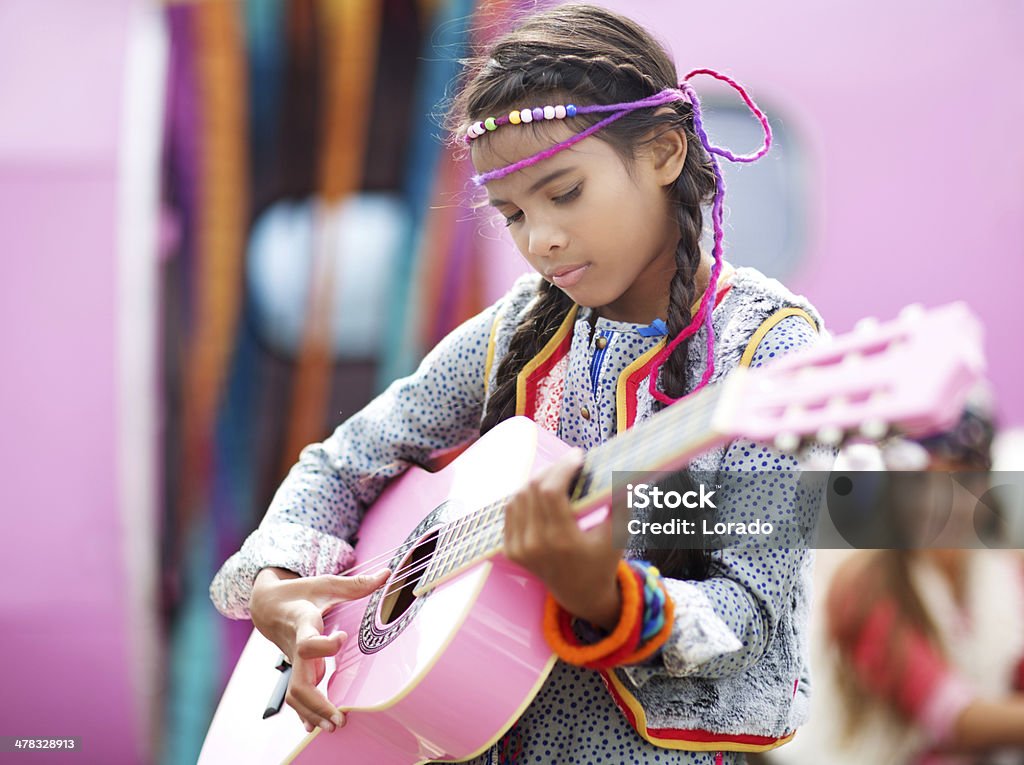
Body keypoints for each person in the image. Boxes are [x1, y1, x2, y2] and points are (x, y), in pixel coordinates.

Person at [210, 5, 834, 763]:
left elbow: (749, 617)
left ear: (666, 150)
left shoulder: (764, 349)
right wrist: (281, 582)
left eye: (564, 193)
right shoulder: (520, 329)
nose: (541, 240)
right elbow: (342, 461)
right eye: (512, 214)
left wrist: (607, 596)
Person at [769, 391, 1024, 765]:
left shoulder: (1003, 570)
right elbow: (953, 719)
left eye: (962, 479)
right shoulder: (863, 587)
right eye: (919, 482)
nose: (939, 502)